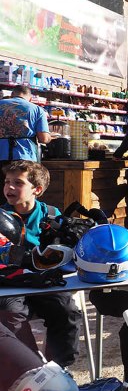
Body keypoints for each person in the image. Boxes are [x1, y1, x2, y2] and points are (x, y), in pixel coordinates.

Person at [0, 161, 81, 368]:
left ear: (37, 189)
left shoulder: (52, 215)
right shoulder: (1, 216)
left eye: (18, 183)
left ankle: (59, 368)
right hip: (11, 282)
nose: (9, 187)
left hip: (44, 281)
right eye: (7, 182)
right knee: (11, 313)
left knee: (67, 310)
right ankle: (31, 368)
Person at [0, 84, 50, 166]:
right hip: (25, 155)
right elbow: (43, 139)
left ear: (12, 95)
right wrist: (49, 137)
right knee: (21, 179)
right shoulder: (37, 109)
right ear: (30, 98)